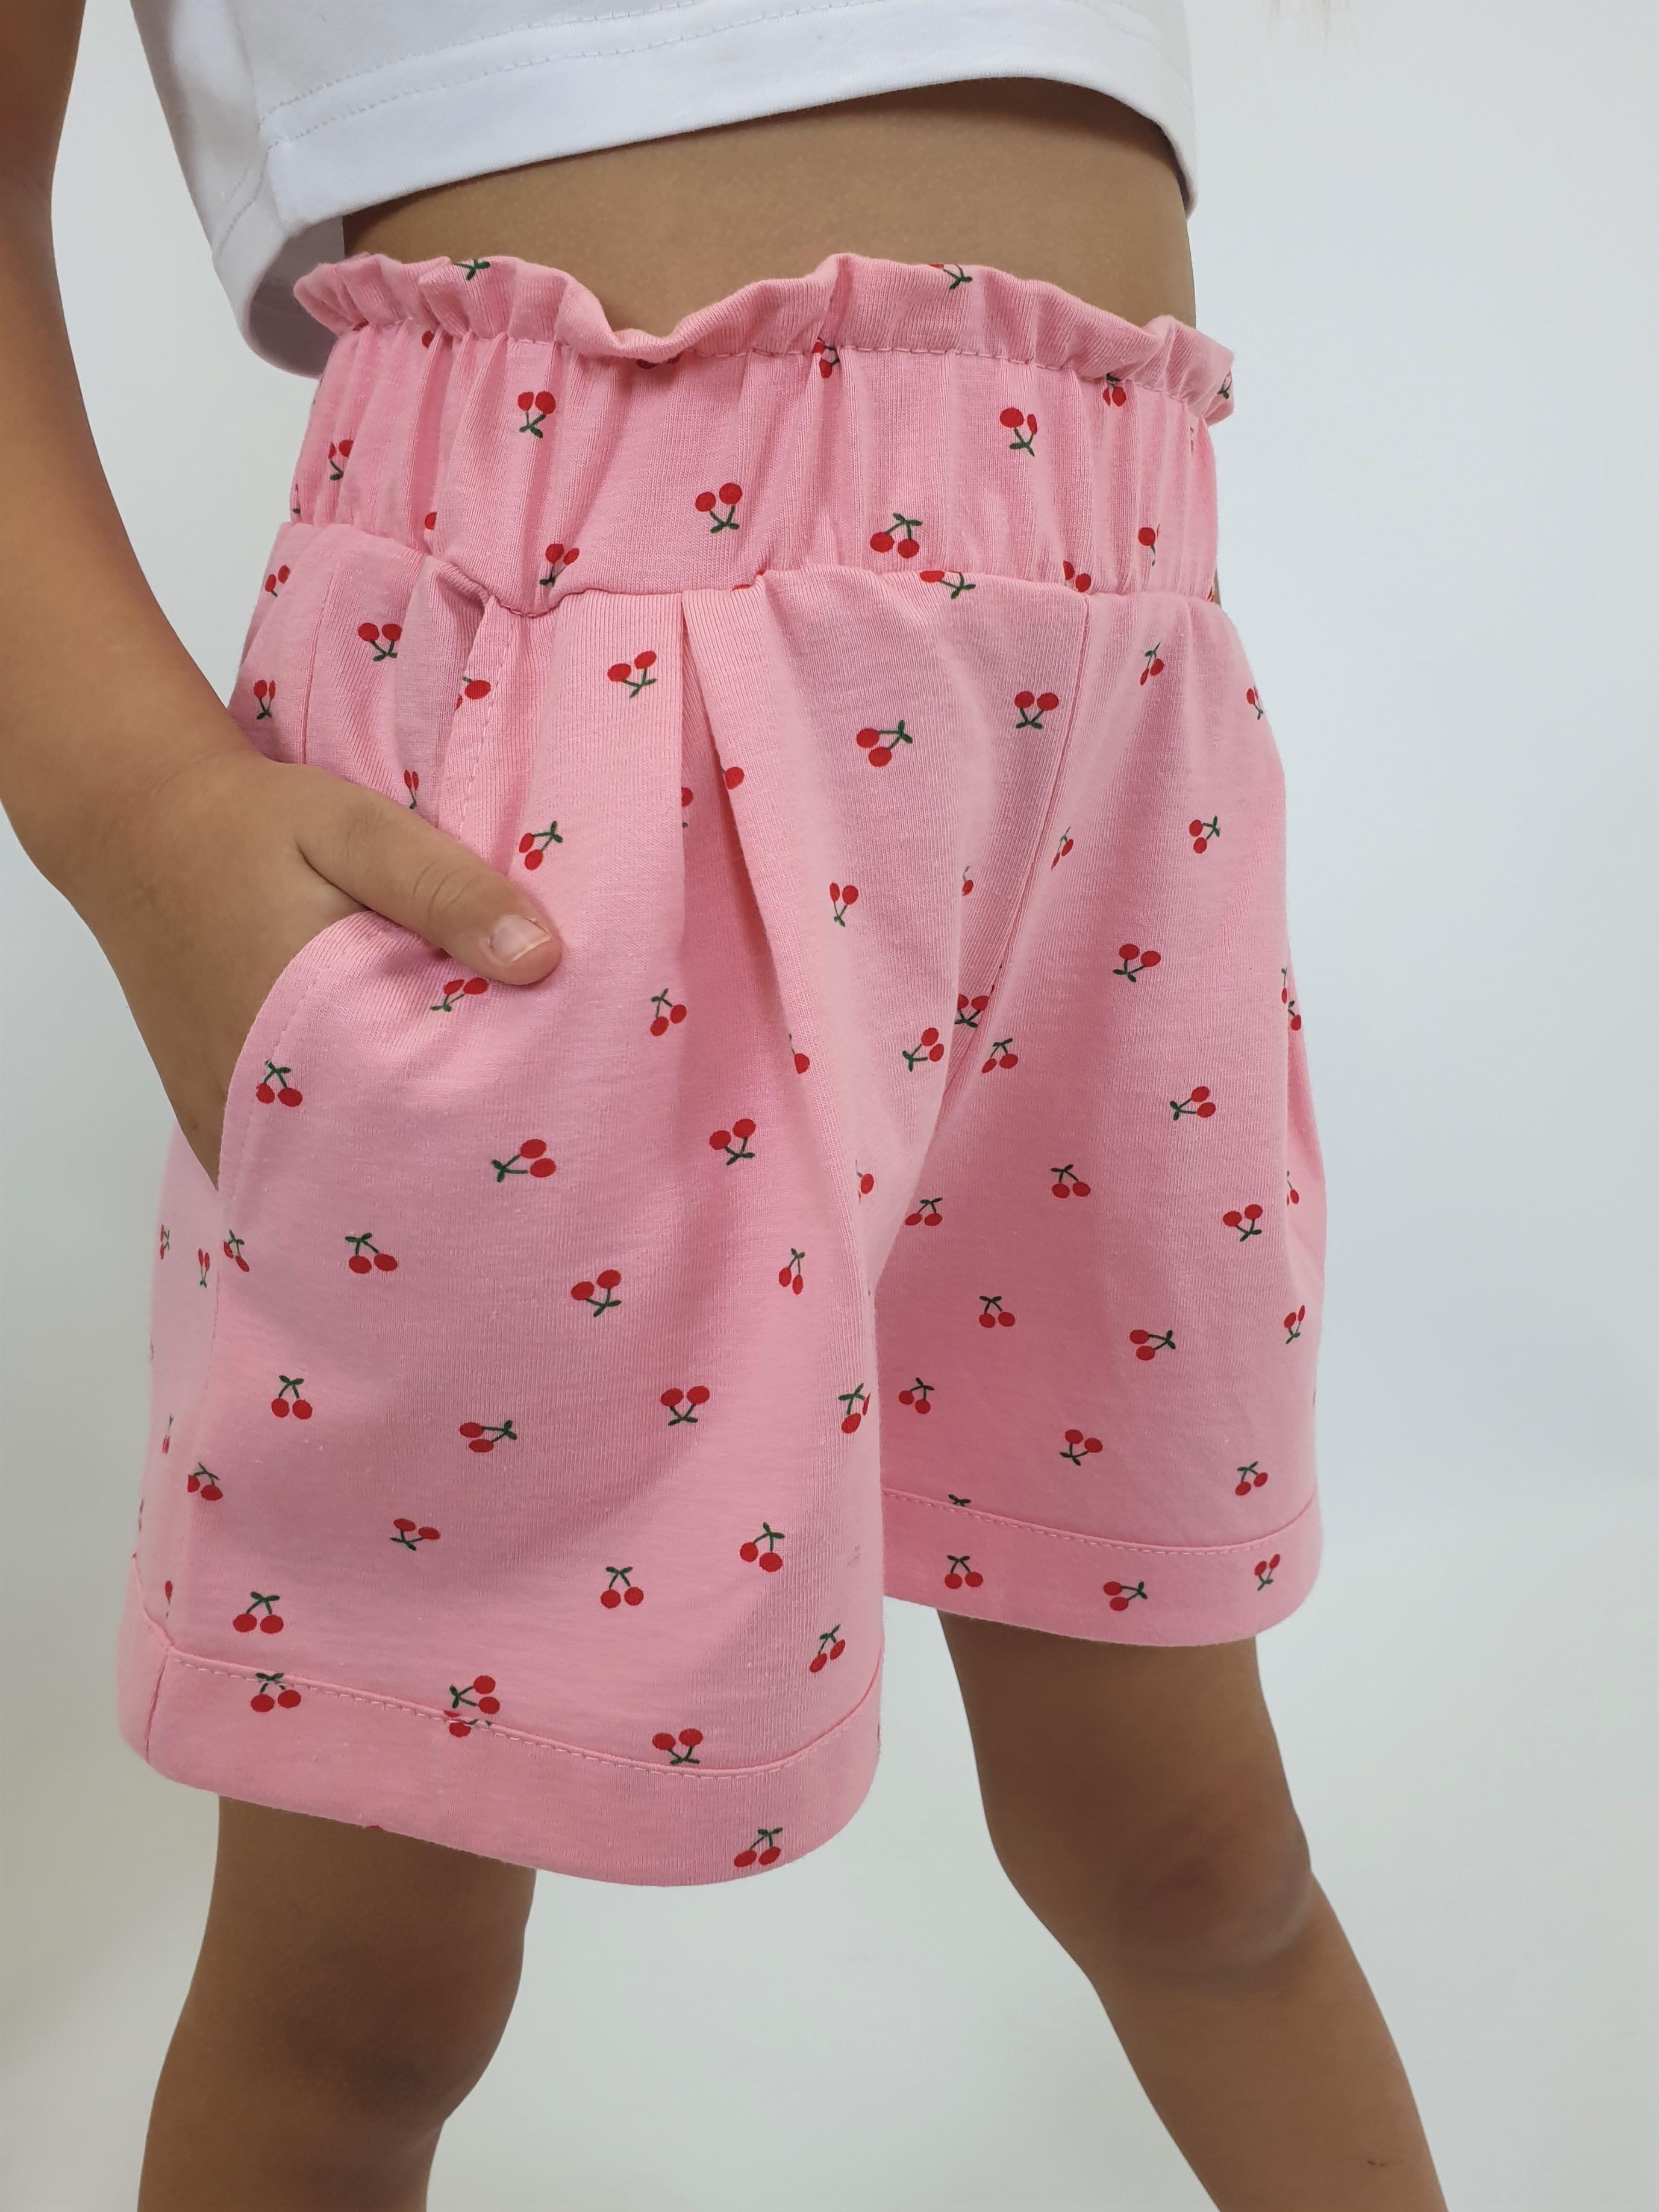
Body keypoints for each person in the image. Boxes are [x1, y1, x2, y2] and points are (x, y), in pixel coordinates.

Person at [0, 5, 1448, 2206]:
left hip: (1114, 748)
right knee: (361, 1997)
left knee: (1199, 1857)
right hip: (564, 770)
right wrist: (129, 810)